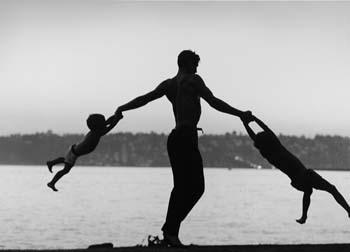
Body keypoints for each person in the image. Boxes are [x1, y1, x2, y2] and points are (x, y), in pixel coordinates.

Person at [115, 50, 253, 247]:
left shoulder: (169, 85)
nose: (196, 68)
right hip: (186, 137)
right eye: (194, 64)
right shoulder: (193, 80)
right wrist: (240, 114)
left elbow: (145, 98)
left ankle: (170, 233)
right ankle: (170, 230)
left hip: (174, 138)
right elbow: (213, 102)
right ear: (186, 63)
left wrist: (122, 107)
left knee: (180, 188)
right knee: (197, 188)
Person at [242, 115, 350, 224]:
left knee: (308, 190)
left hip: (297, 181)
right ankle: (348, 210)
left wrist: (245, 123)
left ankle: (304, 217)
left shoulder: (268, 155)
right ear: (269, 139)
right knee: (332, 189)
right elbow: (265, 128)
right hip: (305, 174)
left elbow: (254, 137)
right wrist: (253, 118)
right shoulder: (278, 146)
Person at [46, 112, 123, 191]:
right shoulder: (96, 133)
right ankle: (52, 183)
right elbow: (110, 126)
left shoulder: (94, 130)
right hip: (74, 153)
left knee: (65, 159)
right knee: (66, 170)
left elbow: (107, 122)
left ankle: (51, 163)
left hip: (74, 149)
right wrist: (117, 119)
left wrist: (116, 116)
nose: (104, 123)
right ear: (98, 125)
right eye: (102, 122)